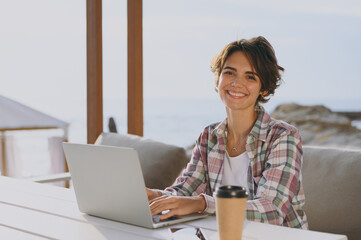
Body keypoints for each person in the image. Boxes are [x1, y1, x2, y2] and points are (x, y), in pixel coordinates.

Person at [147, 36, 308, 229]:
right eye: (229, 73)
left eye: (250, 77)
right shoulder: (209, 136)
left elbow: (271, 210)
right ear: (218, 78)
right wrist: (156, 196)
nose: (236, 83)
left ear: (263, 88)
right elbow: (186, 190)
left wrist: (203, 204)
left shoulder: (283, 137)